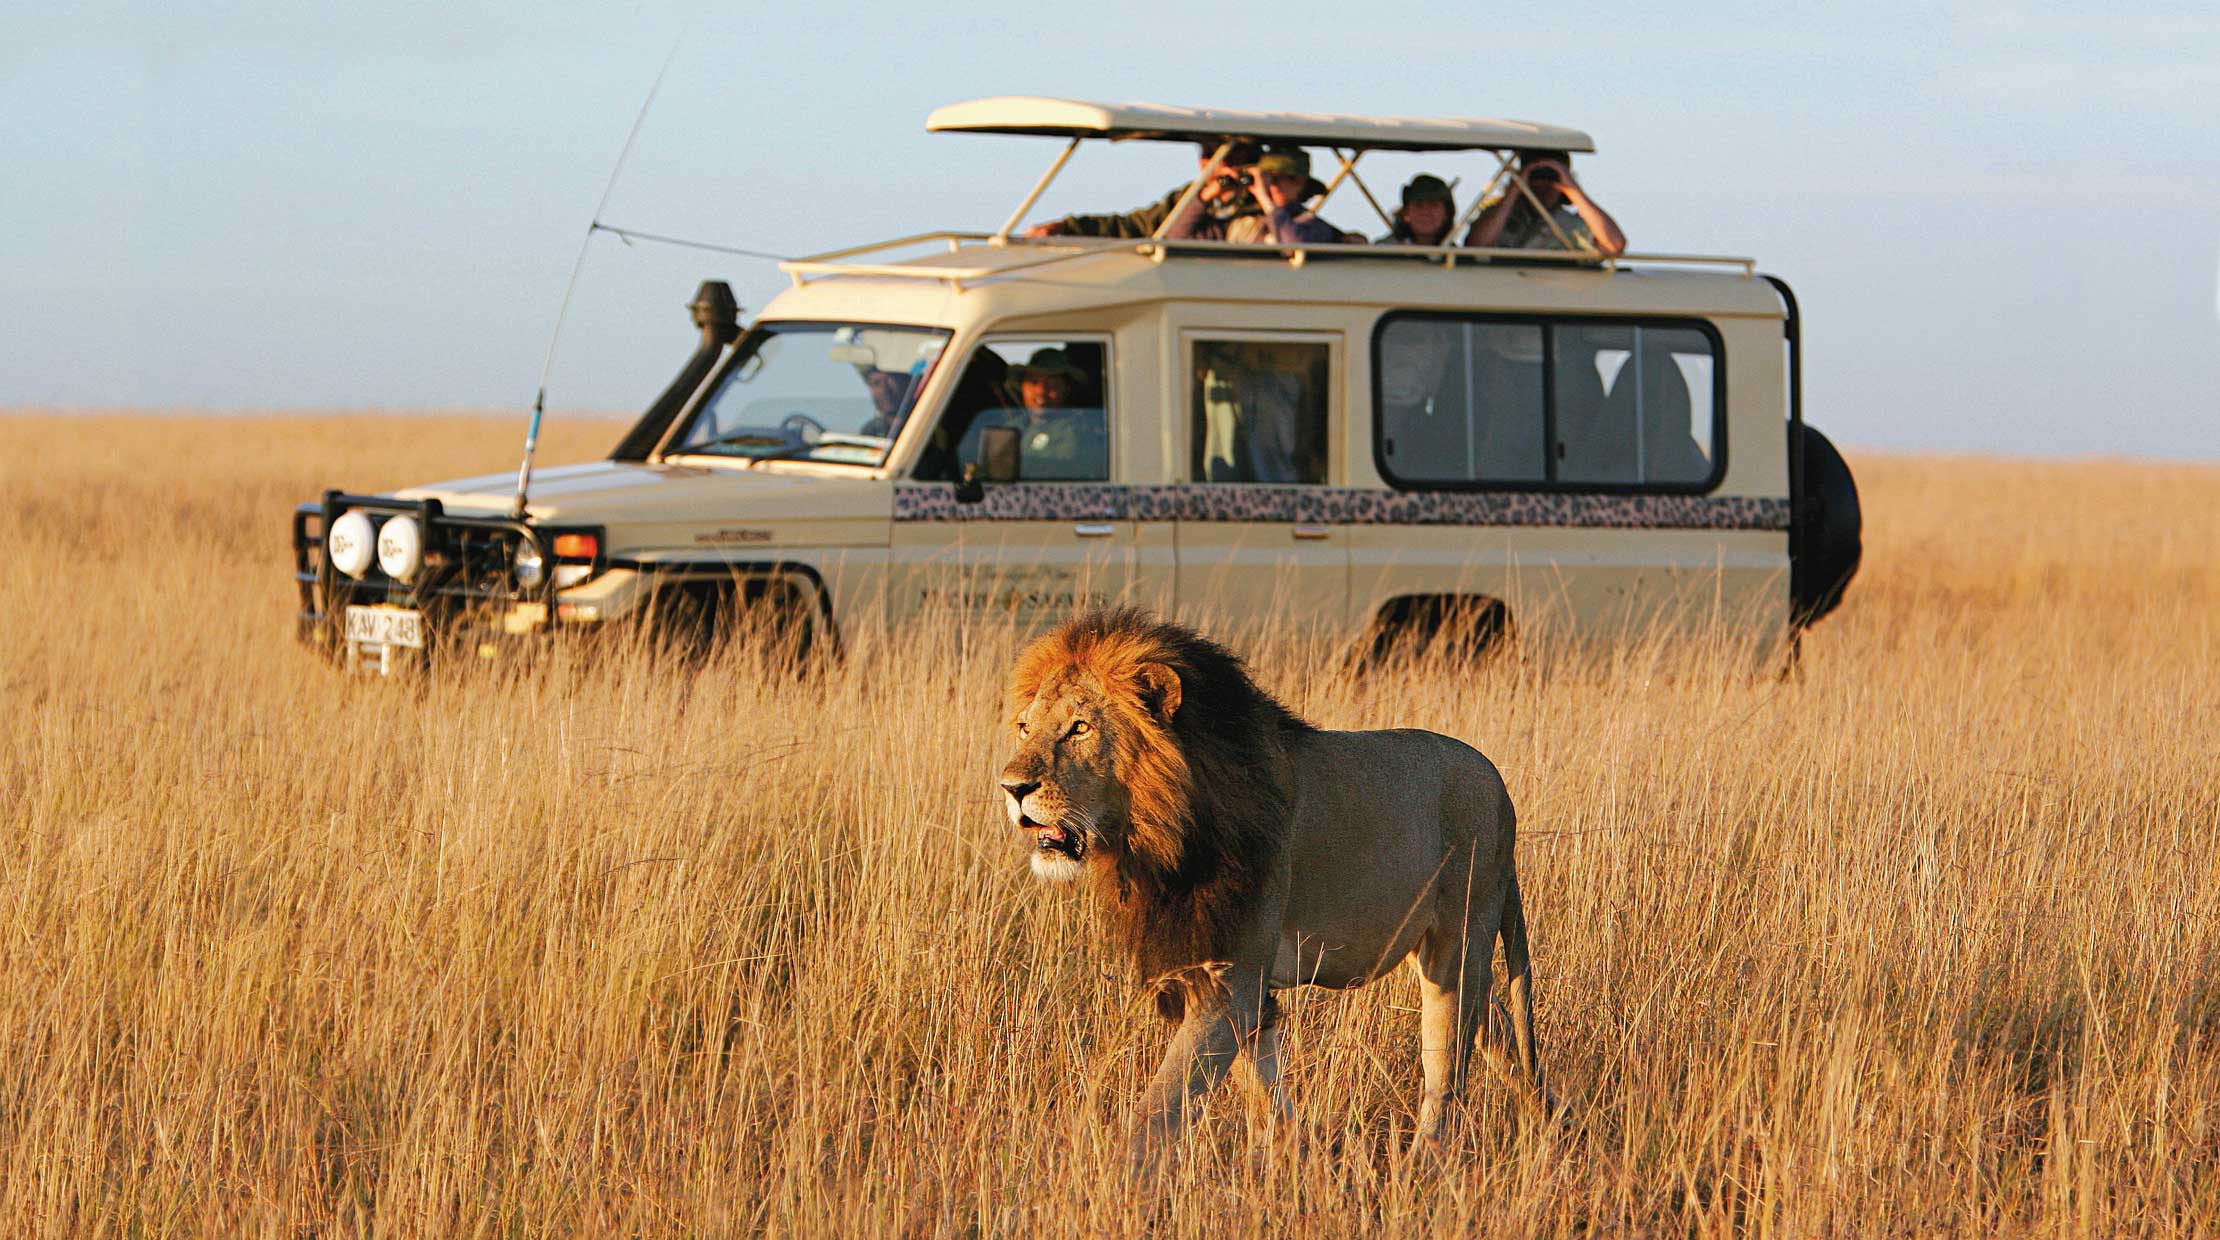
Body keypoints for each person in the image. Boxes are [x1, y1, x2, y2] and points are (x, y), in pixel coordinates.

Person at [1024, 141, 1263, 240]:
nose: (1209, 163)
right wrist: (1066, 228)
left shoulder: (1261, 202)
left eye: (1218, 155)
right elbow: (1136, 226)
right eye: (1206, 154)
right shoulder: (1185, 198)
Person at [964, 347, 1107, 481]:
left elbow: (1060, 470)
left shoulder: (1078, 430)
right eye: (1033, 382)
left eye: (1052, 384)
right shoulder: (1011, 427)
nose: (1041, 392)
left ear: (1065, 389)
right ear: (1022, 387)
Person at [1461, 151, 1627, 257]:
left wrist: (1571, 189)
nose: (1543, 189)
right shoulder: (1497, 218)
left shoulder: (1574, 226)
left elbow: (1615, 245)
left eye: (1550, 181)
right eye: (1536, 181)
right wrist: (1515, 190)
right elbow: (1476, 245)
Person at [1215, 147, 1344, 245]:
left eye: (1274, 179)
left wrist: (1265, 200)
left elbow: (1293, 245)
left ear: (1299, 182)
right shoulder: (1244, 222)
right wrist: (1210, 192)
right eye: (1265, 179)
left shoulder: (1312, 225)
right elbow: (1197, 238)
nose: (1269, 186)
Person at [1378, 174, 1455, 246]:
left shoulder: (1458, 256)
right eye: (1418, 205)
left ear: (1447, 214)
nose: (1425, 212)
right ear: (1406, 213)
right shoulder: (1382, 251)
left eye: (1433, 205)